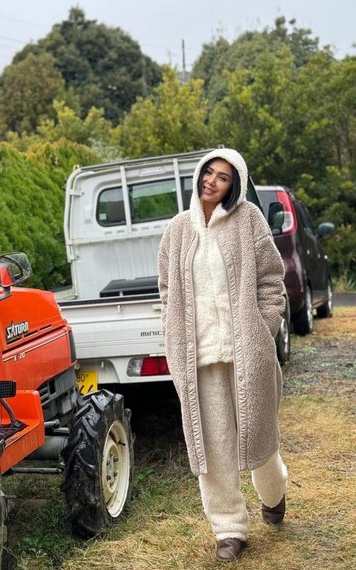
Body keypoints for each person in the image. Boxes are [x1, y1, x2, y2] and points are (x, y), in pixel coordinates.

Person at [158, 148, 288, 562]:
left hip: (246, 351)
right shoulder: (177, 230)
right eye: (208, 173)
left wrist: (262, 328)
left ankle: (274, 492)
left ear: (235, 184)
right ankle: (229, 529)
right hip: (200, 357)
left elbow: (272, 280)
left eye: (223, 177)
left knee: (260, 438)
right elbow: (167, 291)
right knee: (213, 448)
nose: (212, 181)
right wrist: (173, 330)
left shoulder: (250, 220)